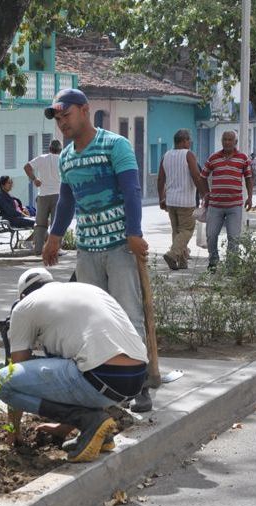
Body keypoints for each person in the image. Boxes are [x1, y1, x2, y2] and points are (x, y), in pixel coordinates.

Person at [41, 88, 152, 413]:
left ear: (85, 111)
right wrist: (55, 236)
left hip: (119, 247)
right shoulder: (67, 157)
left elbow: (132, 190)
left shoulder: (116, 145)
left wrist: (134, 233)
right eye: (58, 119)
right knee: (93, 319)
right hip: (88, 249)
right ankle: (104, 382)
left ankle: (140, 383)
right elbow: (67, 199)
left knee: (128, 314)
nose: (62, 123)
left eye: (67, 115)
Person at [0, 268, 148, 462]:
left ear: (23, 295)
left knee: (3, 380)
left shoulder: (24, 306)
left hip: (101, 377)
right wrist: (63, 428)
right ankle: (100, 433)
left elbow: (17, 369)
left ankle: (90, 421)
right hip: (133, 380)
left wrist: (14, 431)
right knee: (75, 363)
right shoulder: (87, 290)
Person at [200, 131, 253, 271]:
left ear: (235, 142)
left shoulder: (243, 158)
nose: (227, 142)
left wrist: (250, 197)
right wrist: (206, 194)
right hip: (215, 205)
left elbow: (249, 178)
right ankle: (213, 261)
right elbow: (203, 176)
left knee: (233, 237)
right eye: (225, 139)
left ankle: (231, 267)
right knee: (211, 236)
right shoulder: (213, 158)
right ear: (221, 141)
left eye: (230, 140)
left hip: (234, 206)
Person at [157, 129, 207, 270]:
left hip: (171, 201)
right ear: (184, 141)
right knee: (186, 230)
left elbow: (161, 178)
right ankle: (173, 254)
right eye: (189, 140)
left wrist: (161, 197)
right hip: (186, 201)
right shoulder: (188, 155)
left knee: (176, 231)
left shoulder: (166, 155)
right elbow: (196, 176)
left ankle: (182, 261)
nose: (190, 142)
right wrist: (204, 194)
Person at [24, 139, 62, 255]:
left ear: (49, 148)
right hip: (58, 195)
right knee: (57, 224)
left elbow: (27, 167)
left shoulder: (41, 158)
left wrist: (34, 179)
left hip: (43, 195)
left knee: (40, 224)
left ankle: (38, 250)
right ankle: (56, 250)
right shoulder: (63, 159)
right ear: (60, 150)